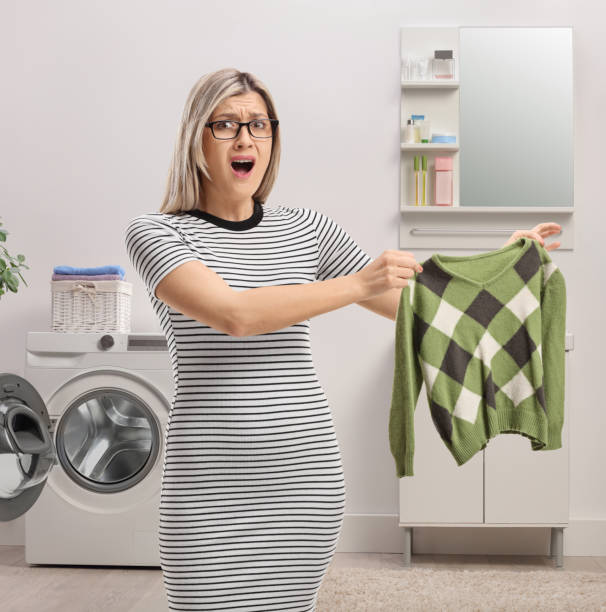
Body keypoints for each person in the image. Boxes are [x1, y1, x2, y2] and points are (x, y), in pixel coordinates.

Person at [124, 67, 562, 611]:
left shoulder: (305, 228)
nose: (245, 140)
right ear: (196, 138)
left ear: (273, 139)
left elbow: (418, 304)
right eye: (225, 125)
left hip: (304, 477)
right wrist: (355, 283)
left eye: (259, 125)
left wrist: (504, 260)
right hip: (208, 486)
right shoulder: (158, 232)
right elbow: (232, 315)